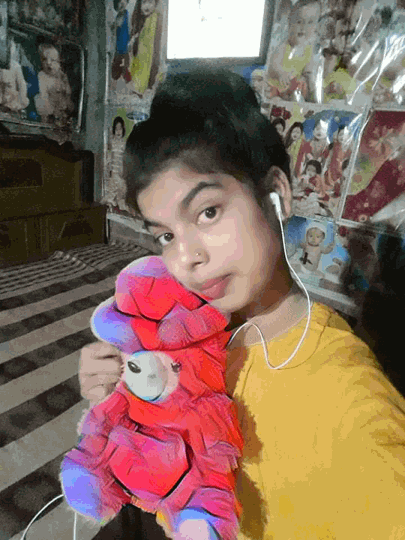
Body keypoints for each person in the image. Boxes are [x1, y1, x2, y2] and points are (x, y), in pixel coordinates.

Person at [78, 69, 405, 540]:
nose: (186, 258)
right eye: (166, 235)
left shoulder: (351, 403)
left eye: (208, 212)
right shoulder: (185, 330)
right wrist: (121, 396)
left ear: (277, 194)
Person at [266, 0, 321, 101]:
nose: (303, 27)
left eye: (310, 22)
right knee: (276, 99)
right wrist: (281, 73)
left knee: (305, 86)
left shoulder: (308, 49)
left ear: (316, 26)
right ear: (290, 23)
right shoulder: (284, 46)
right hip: (276, 87)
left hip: (291, 88)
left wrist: (308, 79)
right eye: (299, 22)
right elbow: (274, 65)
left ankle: (310, 101)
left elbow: (308, 69)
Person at [35, 43, 73, 124]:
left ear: (59, 62)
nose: (48, 63)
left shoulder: (63, 76)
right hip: (50, 116)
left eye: (52, 60)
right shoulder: (42, 76)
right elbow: (43, 97)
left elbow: (68, 97)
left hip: (64, 114)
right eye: (44, 59)